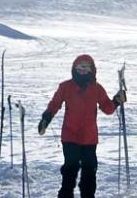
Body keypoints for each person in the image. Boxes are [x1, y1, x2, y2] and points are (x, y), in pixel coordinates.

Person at [38, 54, 126, 198]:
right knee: (70, 170)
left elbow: (107, 108)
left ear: (92, 69)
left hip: (89, 137)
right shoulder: (65, 86)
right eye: (79, 67)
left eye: (86, 67)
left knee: (89, 172)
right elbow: (55, 104)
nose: (82, 70)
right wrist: (46, 119)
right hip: (70, 134)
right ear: (74, 69)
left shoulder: (97, 88)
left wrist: (117, 100)